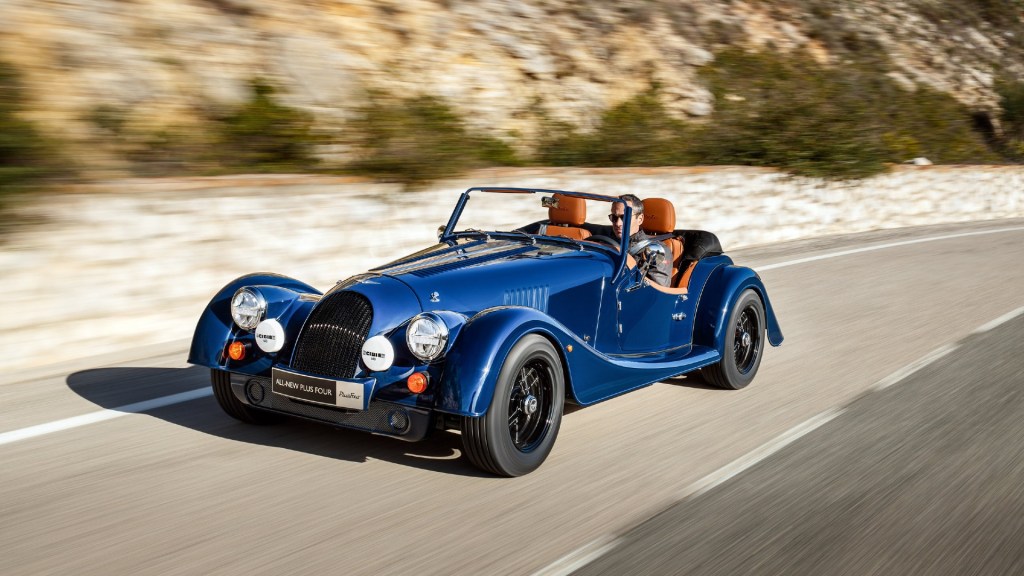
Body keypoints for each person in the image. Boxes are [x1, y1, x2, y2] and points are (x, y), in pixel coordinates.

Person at [610, 194, 672, 287]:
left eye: (624, 217)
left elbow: (657, 292)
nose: (618, 223)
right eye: (614, 217)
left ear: (640, 219)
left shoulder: (657, 250)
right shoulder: (606, 243)